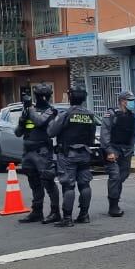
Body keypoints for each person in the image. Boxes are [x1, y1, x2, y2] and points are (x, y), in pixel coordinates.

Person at [47, 87, 99, 228]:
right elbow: (92, 137)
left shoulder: (66, 114)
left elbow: (51, 132)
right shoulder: (90, 115)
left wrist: (53, 119)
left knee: (68, 186)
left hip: (68, 154)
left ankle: (67, 218)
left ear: (70, 98)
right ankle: (84, 215)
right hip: (85, 154)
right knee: (85, 184)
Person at [14, 84, 61, 225]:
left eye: (41, 95)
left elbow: (40, 122)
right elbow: (18, 132)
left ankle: (55, 212)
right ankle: (37, 211)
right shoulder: (29, 110)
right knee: (34, 182)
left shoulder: (51, 111)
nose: (39, 98)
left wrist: (29, 109)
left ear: (46, 97)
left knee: (48, 181)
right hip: (28, 151)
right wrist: (22, 119)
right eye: (37, 95)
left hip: (42, 151)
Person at [100, 91, 135, 218]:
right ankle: (113, 206)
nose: (133, 103)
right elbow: (104, 133)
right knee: (115, 176)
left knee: (123, 175)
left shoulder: (132, 116)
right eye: (130, 100)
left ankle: (115, 198)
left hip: (126, 151)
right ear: (123, 101)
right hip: (113, 149)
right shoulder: (111, 114)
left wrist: (131, 148)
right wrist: (109, 151)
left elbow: (133, 133)